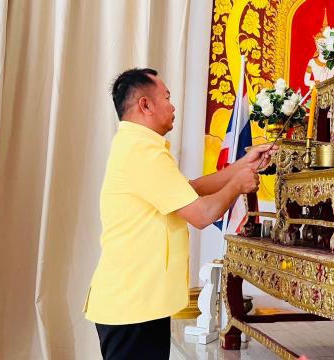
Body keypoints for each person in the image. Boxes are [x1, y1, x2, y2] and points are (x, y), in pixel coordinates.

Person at [83, 68, 276, 359]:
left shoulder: (136, 146)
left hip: (137, 302)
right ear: (145, 105)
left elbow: (188, 189)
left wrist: (242, 166)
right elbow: (202, 214)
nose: (173, 106)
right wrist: (238, 184)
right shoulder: (142, 151)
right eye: (167, 97)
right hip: (132, 305)